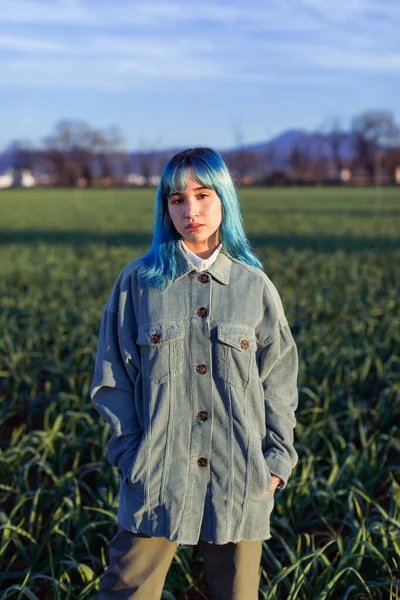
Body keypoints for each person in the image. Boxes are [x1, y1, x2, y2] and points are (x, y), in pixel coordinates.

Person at [90, 147, 299, 600]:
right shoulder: (138, 283)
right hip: (157, 477)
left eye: (202, 195)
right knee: (126, 591)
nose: (191, 210)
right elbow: (112, 380)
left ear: (224, 198)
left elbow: (278, 381)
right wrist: (132, 457)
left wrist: (277, 463)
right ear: (165, 208)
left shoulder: (253, 286)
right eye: (177, 199)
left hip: (240, 478)